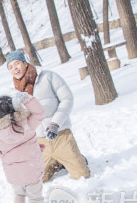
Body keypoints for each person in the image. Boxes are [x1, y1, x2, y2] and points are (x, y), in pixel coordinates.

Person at [6, 49, 90, 183]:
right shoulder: (12, 92)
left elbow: (67, 98)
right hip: (39, 142)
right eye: (10, 67)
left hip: (60, 135)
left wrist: (55, 124)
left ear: (25, 63)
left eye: (16, 64)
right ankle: (57, 162)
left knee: (82, 176)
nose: (14, 68)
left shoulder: (47, 77)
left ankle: (73, 158)